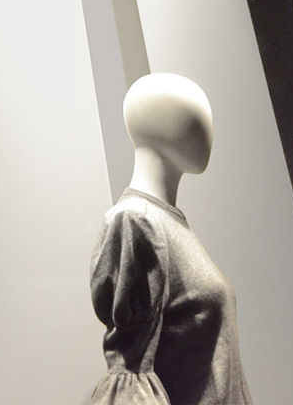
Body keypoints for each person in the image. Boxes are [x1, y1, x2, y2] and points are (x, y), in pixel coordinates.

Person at [89, 73, 252, 405]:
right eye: (192, 116)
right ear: (155, 124)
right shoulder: (135, 220)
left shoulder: (170, 224)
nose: (206, 129)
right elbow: (131, 373)